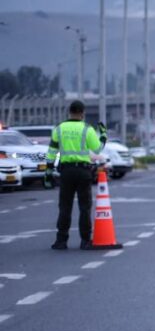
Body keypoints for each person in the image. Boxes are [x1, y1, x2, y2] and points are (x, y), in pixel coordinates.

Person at [44, 100, 102, 249]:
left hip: (66, 172)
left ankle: (61, 240)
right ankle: (85, 241)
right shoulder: (87, 129)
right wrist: (103, 135)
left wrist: (48, 173)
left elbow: (51, 152)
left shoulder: (59, 128)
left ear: (69, 112)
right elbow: (97, 150)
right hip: (83, 172)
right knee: (84, 207)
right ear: (82, 113)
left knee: (65, 207)